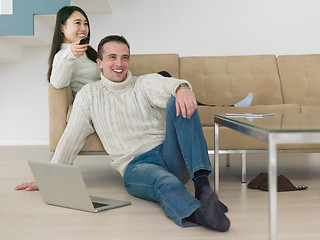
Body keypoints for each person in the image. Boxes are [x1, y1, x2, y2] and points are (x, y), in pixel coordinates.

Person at [15, 35, 230, 232]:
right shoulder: (89, 95)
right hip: (137, 166)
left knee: (179, 98)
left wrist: (182, 88)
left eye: (124, 58)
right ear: (99, 62)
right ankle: (199, 214)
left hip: (168, 154)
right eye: (112, 57)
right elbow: (71, 138)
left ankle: (203, 187)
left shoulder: (143, 83)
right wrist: (49, 178)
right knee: (165, 182)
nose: (119, 63)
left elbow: (169, 85)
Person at [47, 6, 101, 97]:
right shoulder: (63, 55)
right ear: (62, 28)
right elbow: (57, 84)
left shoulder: (87, 51)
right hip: (90, 103)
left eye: (85, 23)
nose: (83, 28)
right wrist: (70, 54)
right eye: (77, 23)